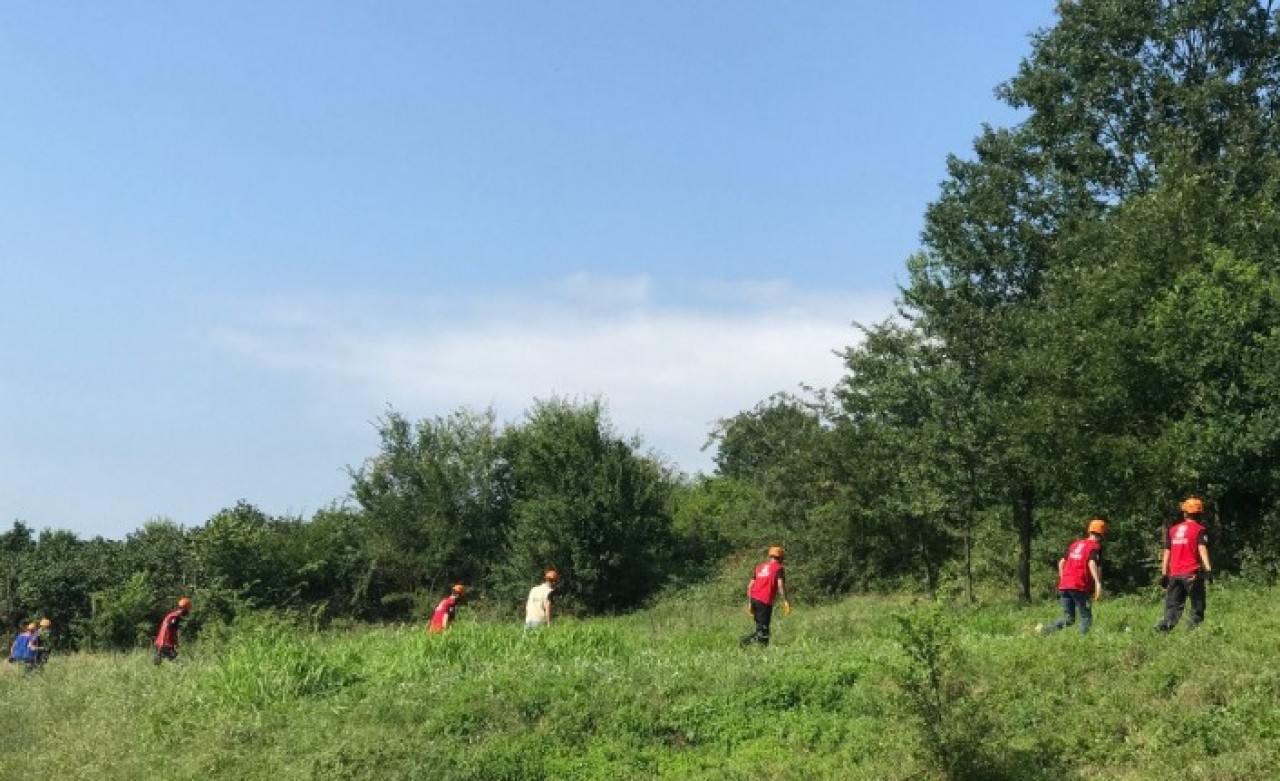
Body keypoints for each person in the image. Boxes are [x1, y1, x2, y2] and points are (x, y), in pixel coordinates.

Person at [1156, 497, 1214, 632]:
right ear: (1200, 514)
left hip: (1174, 575)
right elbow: (1202, 549)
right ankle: (1192, 634)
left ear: (1185, 513)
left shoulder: (1173, 530)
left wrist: (1164, 574)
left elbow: (1166, 553)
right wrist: (1208, 570)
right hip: (1191, 575)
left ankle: (1162, 632)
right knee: (1197, 606)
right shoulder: (1199, 529)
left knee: (1172, 608)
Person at [1038, 519, 1106, 635]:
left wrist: (1063, 578)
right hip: (1079, 585)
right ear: (1102, 534)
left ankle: (1044, 630)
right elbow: (1092, 563)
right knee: (1086, 617)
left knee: (1069, 618)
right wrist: (1097, 583)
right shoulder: (1095, 547)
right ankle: (1081, 643)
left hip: (1065, 585)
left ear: (1089, 531)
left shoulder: (1075, 545)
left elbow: (1061, 563)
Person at [741, 546, 789, 647]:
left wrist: (750, 603)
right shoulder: (779, 568)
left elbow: (750, 586)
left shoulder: (759, 567)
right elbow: (780, 585)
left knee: (763, 628)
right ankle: (744, 642)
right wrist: (785, 601)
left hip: (754, 598)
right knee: (763, 629)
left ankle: (763, 651)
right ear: (781, 557)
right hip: (764, 601)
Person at [153, 597, 192, 665]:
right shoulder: (175, 617)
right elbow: (168, 629)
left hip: (161, 643)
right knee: (177, 662)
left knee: (158, 663)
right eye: (188, 609)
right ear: (184, 608)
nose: (188, 612)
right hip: (165, 644)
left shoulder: (173, 615)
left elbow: (172, 629)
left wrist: (175, 642)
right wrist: (165, 643)